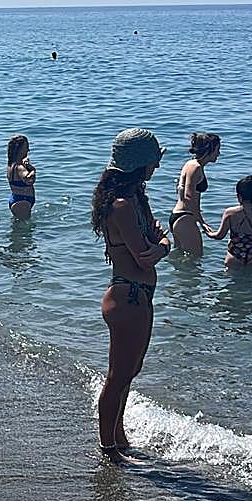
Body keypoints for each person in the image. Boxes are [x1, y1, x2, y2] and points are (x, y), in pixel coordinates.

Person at [91, 128, 171, 462]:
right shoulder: (122, 205)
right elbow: (146, 254)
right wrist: (163, 245)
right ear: (140, 165)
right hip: (128, 297)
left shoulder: (135, 197)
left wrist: (159, 244)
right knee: (119, 375)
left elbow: (153, 242)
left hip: (136, 295)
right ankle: (108, 447)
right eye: (153, 162)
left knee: (130, 371)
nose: (155, 168)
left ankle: (118, 436)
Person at [202, 175, 252, 268]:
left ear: (238, 195)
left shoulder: (230, 213)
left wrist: (209, 233)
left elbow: (219, 236)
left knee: (232, 281)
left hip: (234, 254)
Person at [169, 132, 221, 257]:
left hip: (179, 216)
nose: (219, 153)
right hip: (185, 217)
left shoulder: (190, 164)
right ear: (210, 149)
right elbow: (188, 196)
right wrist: (202, 222)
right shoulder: (195, 167)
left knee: (181, 257)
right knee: (195, 258)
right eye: (217, 149)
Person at [6, 134, 37, 220]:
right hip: (23, 201)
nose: (28, 150)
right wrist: (32, 169)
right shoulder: (19, 167)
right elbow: (29, 180)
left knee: (18, 227)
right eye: (26, 147)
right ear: (20, 149)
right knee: (24, 230)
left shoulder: (11, 166)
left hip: (17, 198)